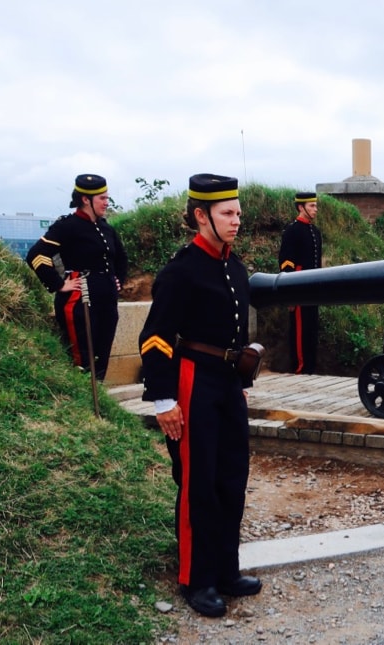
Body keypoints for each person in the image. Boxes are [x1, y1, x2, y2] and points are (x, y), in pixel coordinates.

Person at [138, 174, 263, 617]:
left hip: (229, 385)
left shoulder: (235, 266)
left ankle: (226, 570)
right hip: (193, 383)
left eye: (238, 214)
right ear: (200, 215)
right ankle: (196, 578)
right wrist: (163, 401)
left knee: (232, 479)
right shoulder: (181, 270)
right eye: (227, 214)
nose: (236, 222)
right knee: (198, 485)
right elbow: (155, 339)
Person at [26, 173, 128, 380]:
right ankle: (86, 406)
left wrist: (118, 280)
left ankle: (99, 404)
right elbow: (36, 255)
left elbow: (121, 258)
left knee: (102, 355)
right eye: (102, 198)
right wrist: (58, 284)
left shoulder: (106, 227)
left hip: (106, 300)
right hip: (80, 300)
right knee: (83, 359)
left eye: (107, 197)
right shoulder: (67, 226)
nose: (107, 202)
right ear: (85, 200)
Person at [278, 191, 322, 374]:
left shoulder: (315, 232)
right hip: (299, 287)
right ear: (300, 207)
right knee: (300, 330)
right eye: (312, 206)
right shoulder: (292, 231)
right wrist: (290, 294)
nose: (315, 209)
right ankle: (300, 367)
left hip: (313, 288)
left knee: (312, 327)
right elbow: (286, 263)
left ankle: (311, 367)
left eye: (315, 206)